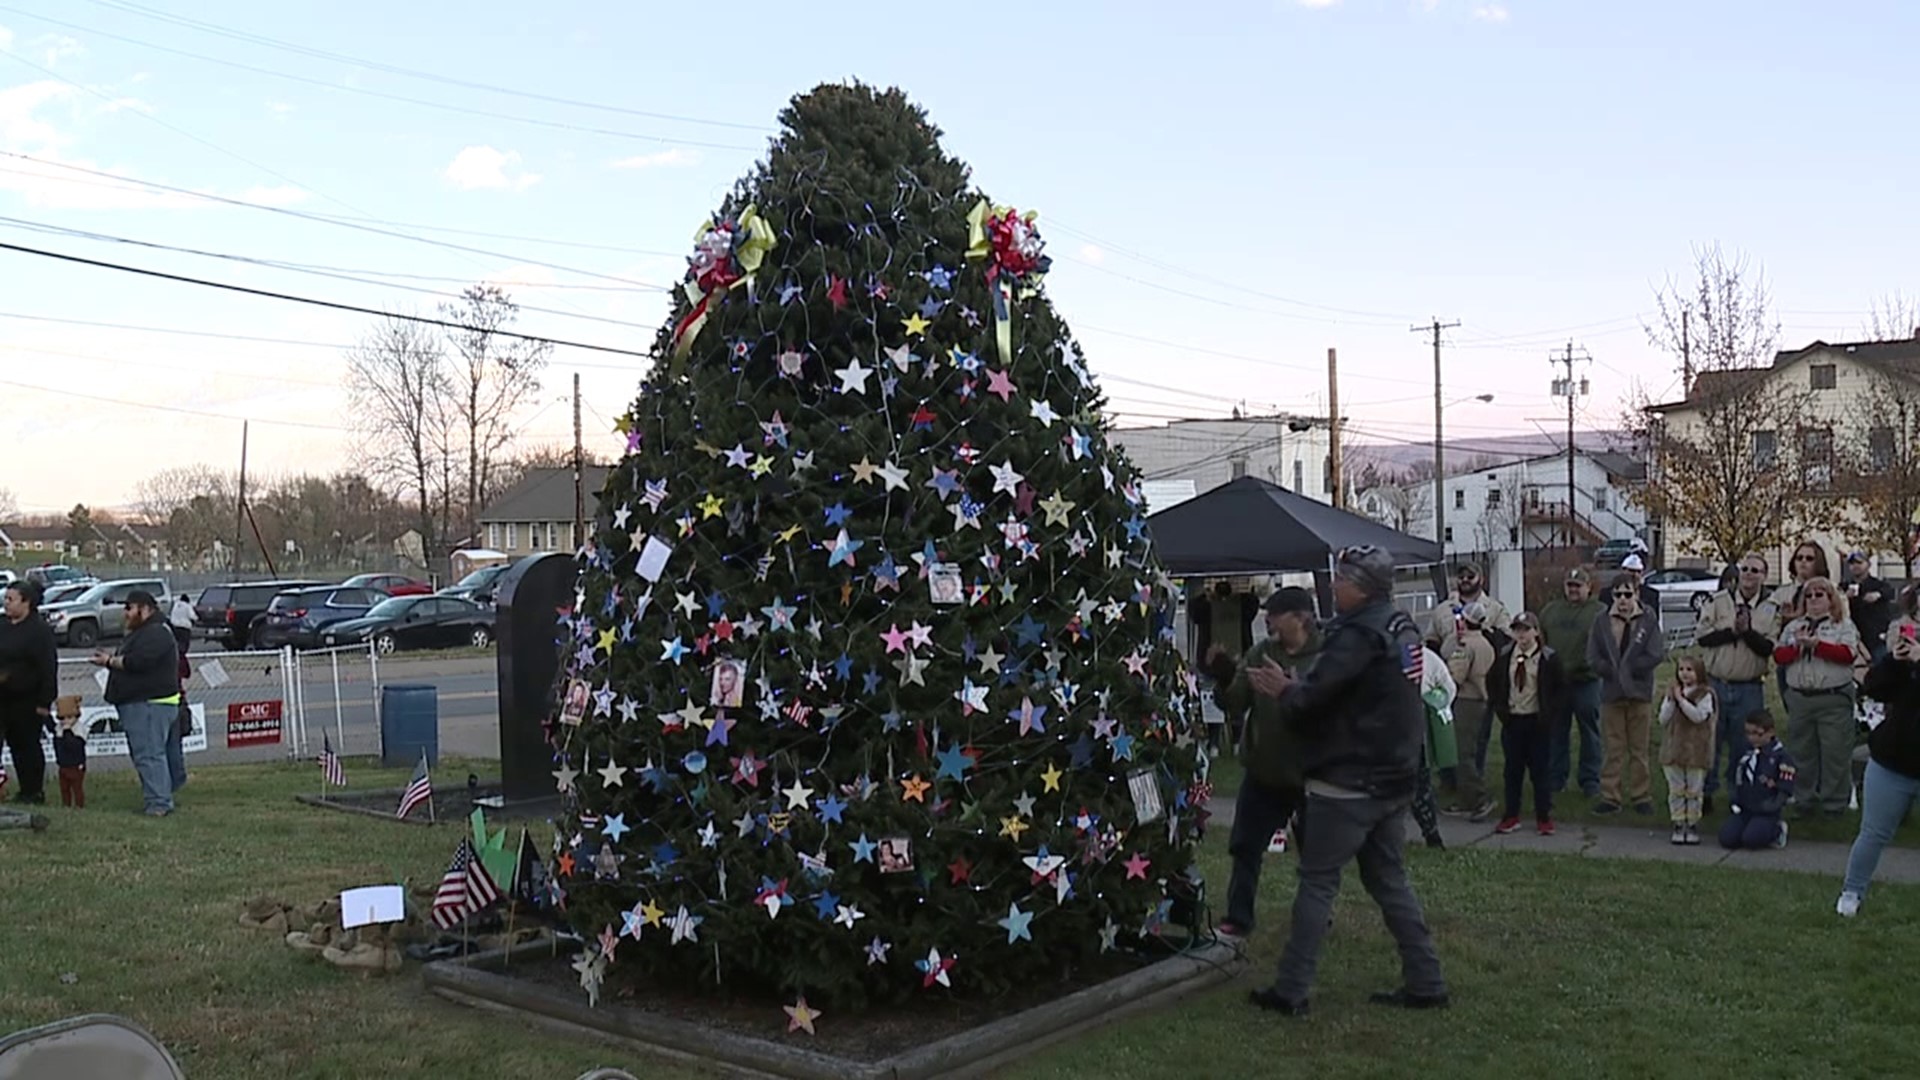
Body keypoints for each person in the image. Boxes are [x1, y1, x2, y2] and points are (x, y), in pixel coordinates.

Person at [1245, 545, 1447, 1017]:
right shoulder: (1402, 627)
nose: (1333, 585)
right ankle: (1427, 981)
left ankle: (1290, 991)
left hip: (1349, 780)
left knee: (1317, 883)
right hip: (1394, 778)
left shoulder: (1357, 636)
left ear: (1363, 585)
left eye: (1342, 578)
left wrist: (1285, 689)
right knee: (1389, 881)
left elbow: (1314, 701)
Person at [1206, 586, 1322, 937]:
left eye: (1275, 613)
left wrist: (1290, 688)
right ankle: (1239, 918)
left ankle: (1315, 915)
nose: (1267, 619)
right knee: (1245, 847)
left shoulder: (1326, 655)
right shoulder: (1260, 652)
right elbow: (1236, 703)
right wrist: (1226, 676)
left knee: (1316, 856)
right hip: (1263, 772)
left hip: (1311, 776)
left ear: (1300, 618)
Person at [1839, 592, 1920, 916]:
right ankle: (1852, 892)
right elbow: (1874, 687)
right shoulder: (1908, 651)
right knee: (1873, 833)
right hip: (1893, 761)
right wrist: (1895, 662)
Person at [1694, 552, 1779, 815]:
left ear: (1764, 576)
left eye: (1755, 570)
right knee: (1710, 742)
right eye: (1745, 569)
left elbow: (1768, 648)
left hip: (1749, 687)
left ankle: (1738, 796)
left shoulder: (1770, 608)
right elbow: (1703, 638)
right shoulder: (1719, 602)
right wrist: (1731, 631)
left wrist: (1747, 632)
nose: (1749, 574)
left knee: (1744, 745)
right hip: (1717, 683)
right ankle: (1705, 793)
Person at [1773, 577, 1864, 818]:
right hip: (1801, 698)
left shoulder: (1843, 625)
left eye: (1819, 595)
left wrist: (1817, 645)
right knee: (1802, 752)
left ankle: (1834, 803)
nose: (1813, 599)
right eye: (1809, 595)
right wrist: (1798, 648)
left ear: (1830, 599)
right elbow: (1779, 657)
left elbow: (1847, 654)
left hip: (1832, 698)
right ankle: (1804, 799)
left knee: (1835, 752)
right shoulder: (1794, 627)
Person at [90, 589, 184, 817]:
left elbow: (138, 662)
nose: (125, 613)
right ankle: (164, 791)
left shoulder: (155, 632)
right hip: (149, 703)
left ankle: (159, 803)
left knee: (149, 754)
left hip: (150, 705)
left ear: (145, 609)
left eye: (129, 608)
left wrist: (109, 661)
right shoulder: (146, 631)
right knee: (156, 753)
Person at [1588, 573, 1666, 815]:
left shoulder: (1648, 620)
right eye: (1618, 595)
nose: (1623, 600)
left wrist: (1630, 669)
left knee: (1639, 748)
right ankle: (1611, 796)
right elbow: (1593, 655)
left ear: (1637, 594)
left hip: (1639, 692)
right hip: (1612, 692)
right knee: (1613, 747)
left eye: (1627, 594)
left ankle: (1641, 795)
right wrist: (1609, 670)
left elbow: (1655, 653)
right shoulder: (1602, 621)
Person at [1486, 612, 1565, 836]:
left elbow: (1560, 689)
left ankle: (1544, 816)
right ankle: (1511, 815)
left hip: (1537, 721)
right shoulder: (1505, 656)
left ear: (1536, 632)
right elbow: (1493, 682)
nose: (1521, 635)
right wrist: (1501, 709)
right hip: (1513, 720)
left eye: (1526, 630)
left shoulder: (1548, 658)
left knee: (1540, 771)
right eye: (1517, 630)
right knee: (1512, 770)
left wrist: (1550, 716)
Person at [1539, 567, 1605, 797]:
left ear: (1589, 587)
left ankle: (1590, 780)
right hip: (1558, 683)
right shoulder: (1550, 611)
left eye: (1578, 585)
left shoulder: (1599, 612)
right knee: (1557, 732)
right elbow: (1540, 641)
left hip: (1587, 681)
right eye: (1570, 585)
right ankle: (1557, 778)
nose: (1574, 589)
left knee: (1590, 732)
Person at [0, 581, 59, 805]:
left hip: (27, 700)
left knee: (25, 747)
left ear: (26, 602)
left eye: (11, 599)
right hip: (1, 698)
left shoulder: (39, 631)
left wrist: (45, 700)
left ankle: (32, 791)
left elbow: (48, 667)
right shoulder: (2, 626)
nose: (6, 603)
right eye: (5, 599)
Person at [1441, 603, 1496, 821]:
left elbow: (1456, 677)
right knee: (1469, 750)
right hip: (1482, 700)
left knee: (1462, 753)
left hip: (1466, 700)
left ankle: (1478, 799)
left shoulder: (1464, 646)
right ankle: (1466, 800)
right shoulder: (1485, 643)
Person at [1659, 655, 1718, 845]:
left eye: (1689, 670)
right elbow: (1663, 719)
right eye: (1681, 669)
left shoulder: (1705, 694)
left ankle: (1692, 823)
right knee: (1676, 789)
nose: (1684, 673)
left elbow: (1698, 716)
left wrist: (1681, 700)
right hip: (1673, 749)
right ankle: (1678, 822)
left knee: (1693, 789)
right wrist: (1671, 700)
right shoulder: (1672, 692)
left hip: (1696, 750)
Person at [1718, 711, 1796, 850]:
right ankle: (1746, 827)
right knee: (1727, 838)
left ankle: (1777, 831)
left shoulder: (1780, 756)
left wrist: (1773, 805)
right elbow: (1734, 776)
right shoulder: (1744, 752)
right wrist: (1735, 799)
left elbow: (1785, 786)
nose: (1752, 738)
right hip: (1745, 807)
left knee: (1752, 840)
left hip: (1766, 810)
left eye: (1757, 734)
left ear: (1770, 732)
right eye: (1748, 733)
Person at [1772, 541, 1831, 698]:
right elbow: (1769, 627)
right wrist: (1784, 621)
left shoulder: (1832, 592)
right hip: (1790, 660)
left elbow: (1840, 619)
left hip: (1823, 661)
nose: (1803, 562)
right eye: (1799, 558)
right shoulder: (1780, 594)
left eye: (1809, 558)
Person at [1430, 564, 1510, 657]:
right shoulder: (1442, 610)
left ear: (1481, 580)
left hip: (1485, 665)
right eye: (1461, 577)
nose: (1465, 580)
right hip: (1449, 664)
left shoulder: (1496, 608)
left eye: (1470, 577)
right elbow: (1431, 640)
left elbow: (1506, 639)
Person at [1842, 551, 1893, 663]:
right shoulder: (1844, 586)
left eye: (1859, 563)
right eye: (1852, 563)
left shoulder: (1878, 584)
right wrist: (1844, 598)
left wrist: (1878, 595)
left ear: (1868, 564)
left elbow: (1890, 592)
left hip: (1875, 638)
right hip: (1854, 638)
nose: (1855, 566)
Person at [1617, 554, 1663, 626]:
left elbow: (1656, 622)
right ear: (1623, 571)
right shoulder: (1607, 594)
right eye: (1632, 571)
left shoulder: (1652, 595)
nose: (1636, 575)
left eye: (1639, 571)